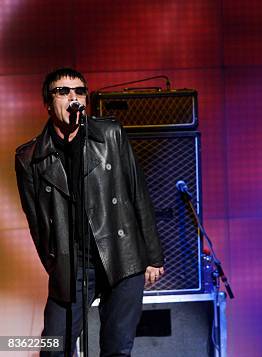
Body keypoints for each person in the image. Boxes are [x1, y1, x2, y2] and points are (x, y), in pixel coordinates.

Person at [15, 68, 165, 356]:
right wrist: (54, 263)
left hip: (123, 256)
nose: (74, 97)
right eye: (64, 91)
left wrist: (153, 255)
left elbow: (138, 193)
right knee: (54, 347)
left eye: (80, 91)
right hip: (74, 264)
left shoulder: (110, 134)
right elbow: (35, 220)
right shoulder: (29, 157)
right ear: (48, 103)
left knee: (117, 349)